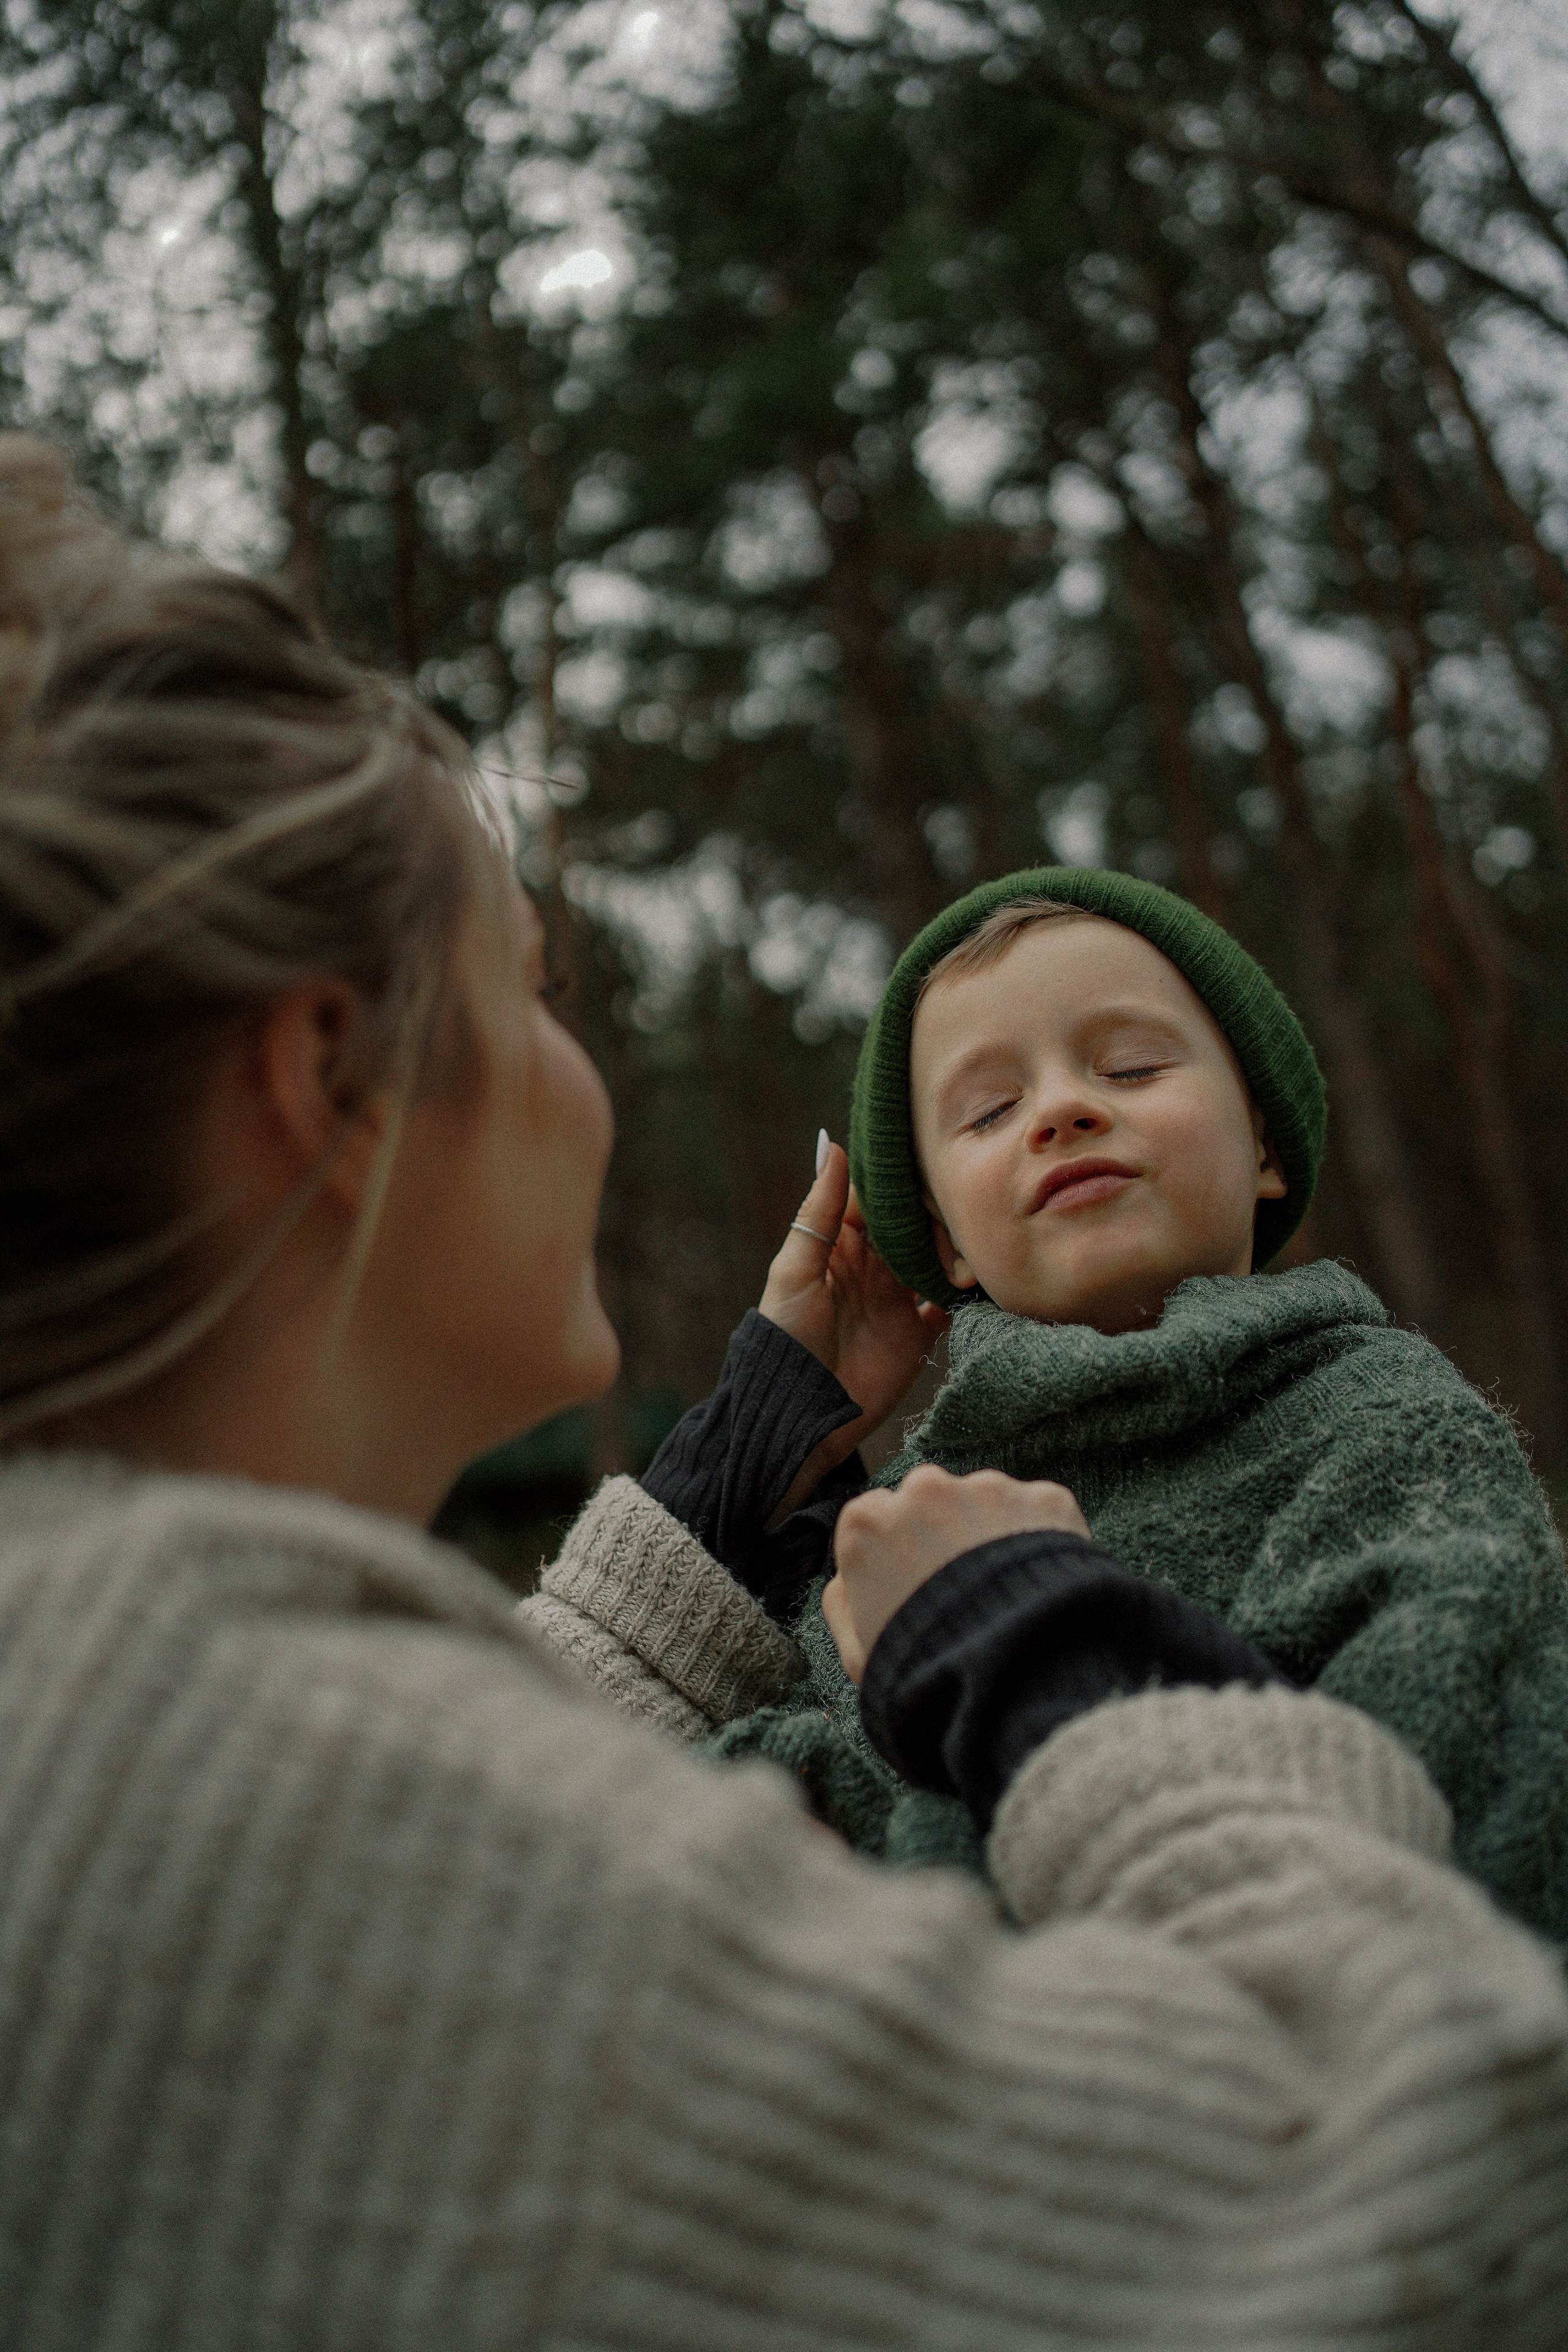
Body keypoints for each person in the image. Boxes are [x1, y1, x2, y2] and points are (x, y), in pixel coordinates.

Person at [1, 433, 1566, 2347]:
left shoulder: (104, 1697)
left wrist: (735, 1471)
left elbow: (527, 1825)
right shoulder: (233, 1790)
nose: (584, 1075)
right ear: (330, 1081)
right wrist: (1039, 1653)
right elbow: (1441, 2203)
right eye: (538, 991)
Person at [542, 873, 1568, 1945]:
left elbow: (1460, 1893)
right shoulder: (894, 1527)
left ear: (1264, 1147)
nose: (1064, 1110)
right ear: (946, 1245)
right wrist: (747, 1448)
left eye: (1130, 1065)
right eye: (989, 1109)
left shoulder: (1391, 1437)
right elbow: (557, 1862)